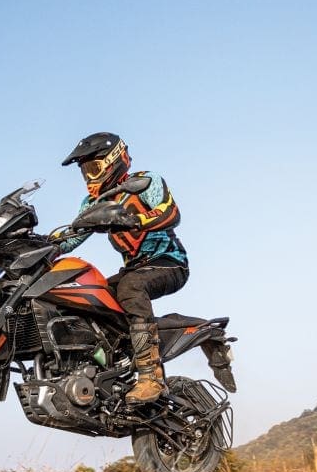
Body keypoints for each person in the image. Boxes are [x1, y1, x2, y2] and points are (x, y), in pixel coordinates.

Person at [57, 132, 233, 403]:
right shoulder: (91, 204)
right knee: (92, 294)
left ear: (114, 161)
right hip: (135, 269)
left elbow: (171, 213)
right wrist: (35, 243)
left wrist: (133, 219)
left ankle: (151, 376)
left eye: (94, 168)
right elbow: (71, 238)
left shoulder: (145, 181)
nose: (90, 177)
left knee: (130, 287)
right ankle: (110, 369)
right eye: (85, 172)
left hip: (169, 262)